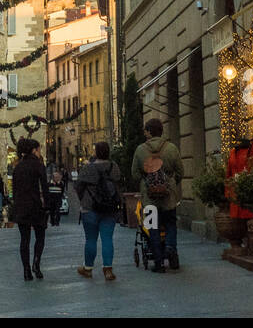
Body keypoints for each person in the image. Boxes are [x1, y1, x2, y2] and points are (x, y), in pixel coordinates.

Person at [132, 118, 183, 273]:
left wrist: (146, 182)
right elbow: (180, 171)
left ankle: (159, 262)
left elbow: (134, 174)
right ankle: (170, 247)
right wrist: (171, 184)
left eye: (145, 130)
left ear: (148, 131)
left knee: (152, 227)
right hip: (168, 197)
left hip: (149, 199)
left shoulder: (140, 149)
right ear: (161, 131)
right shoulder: (171, 148)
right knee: (170, 224)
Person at [74, 141, 122, 280]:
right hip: (110, 209)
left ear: (96, 153)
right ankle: (108, 269)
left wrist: (84, 200)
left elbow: (78, 187)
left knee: (91, 239)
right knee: (107, 238)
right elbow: (118, 184)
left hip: (90, 208)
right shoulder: (114, 167)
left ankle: (88, 268)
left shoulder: (87, 168)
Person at [10, 138, 48, 281]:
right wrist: (47, 205)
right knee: (40, 237)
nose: (40, 153)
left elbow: (14, 189)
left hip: (21, 207)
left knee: (24, 240)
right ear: (34, 150)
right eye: (39, 150)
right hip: (36, 206)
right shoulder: (38, 166)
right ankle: (36, 264)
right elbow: (44, 187)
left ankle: (26, 270)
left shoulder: (17, 167)